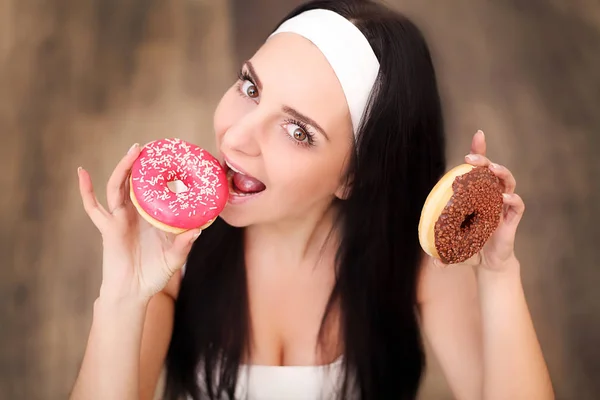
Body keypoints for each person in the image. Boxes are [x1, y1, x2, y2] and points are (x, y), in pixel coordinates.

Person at [70, 1, 554, 399]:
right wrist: (122, 298)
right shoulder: (173, 262)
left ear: (355, 175)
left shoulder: (417, 270)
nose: (236, 136)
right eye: (250, 87)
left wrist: (498, 273)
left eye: (298, 130)